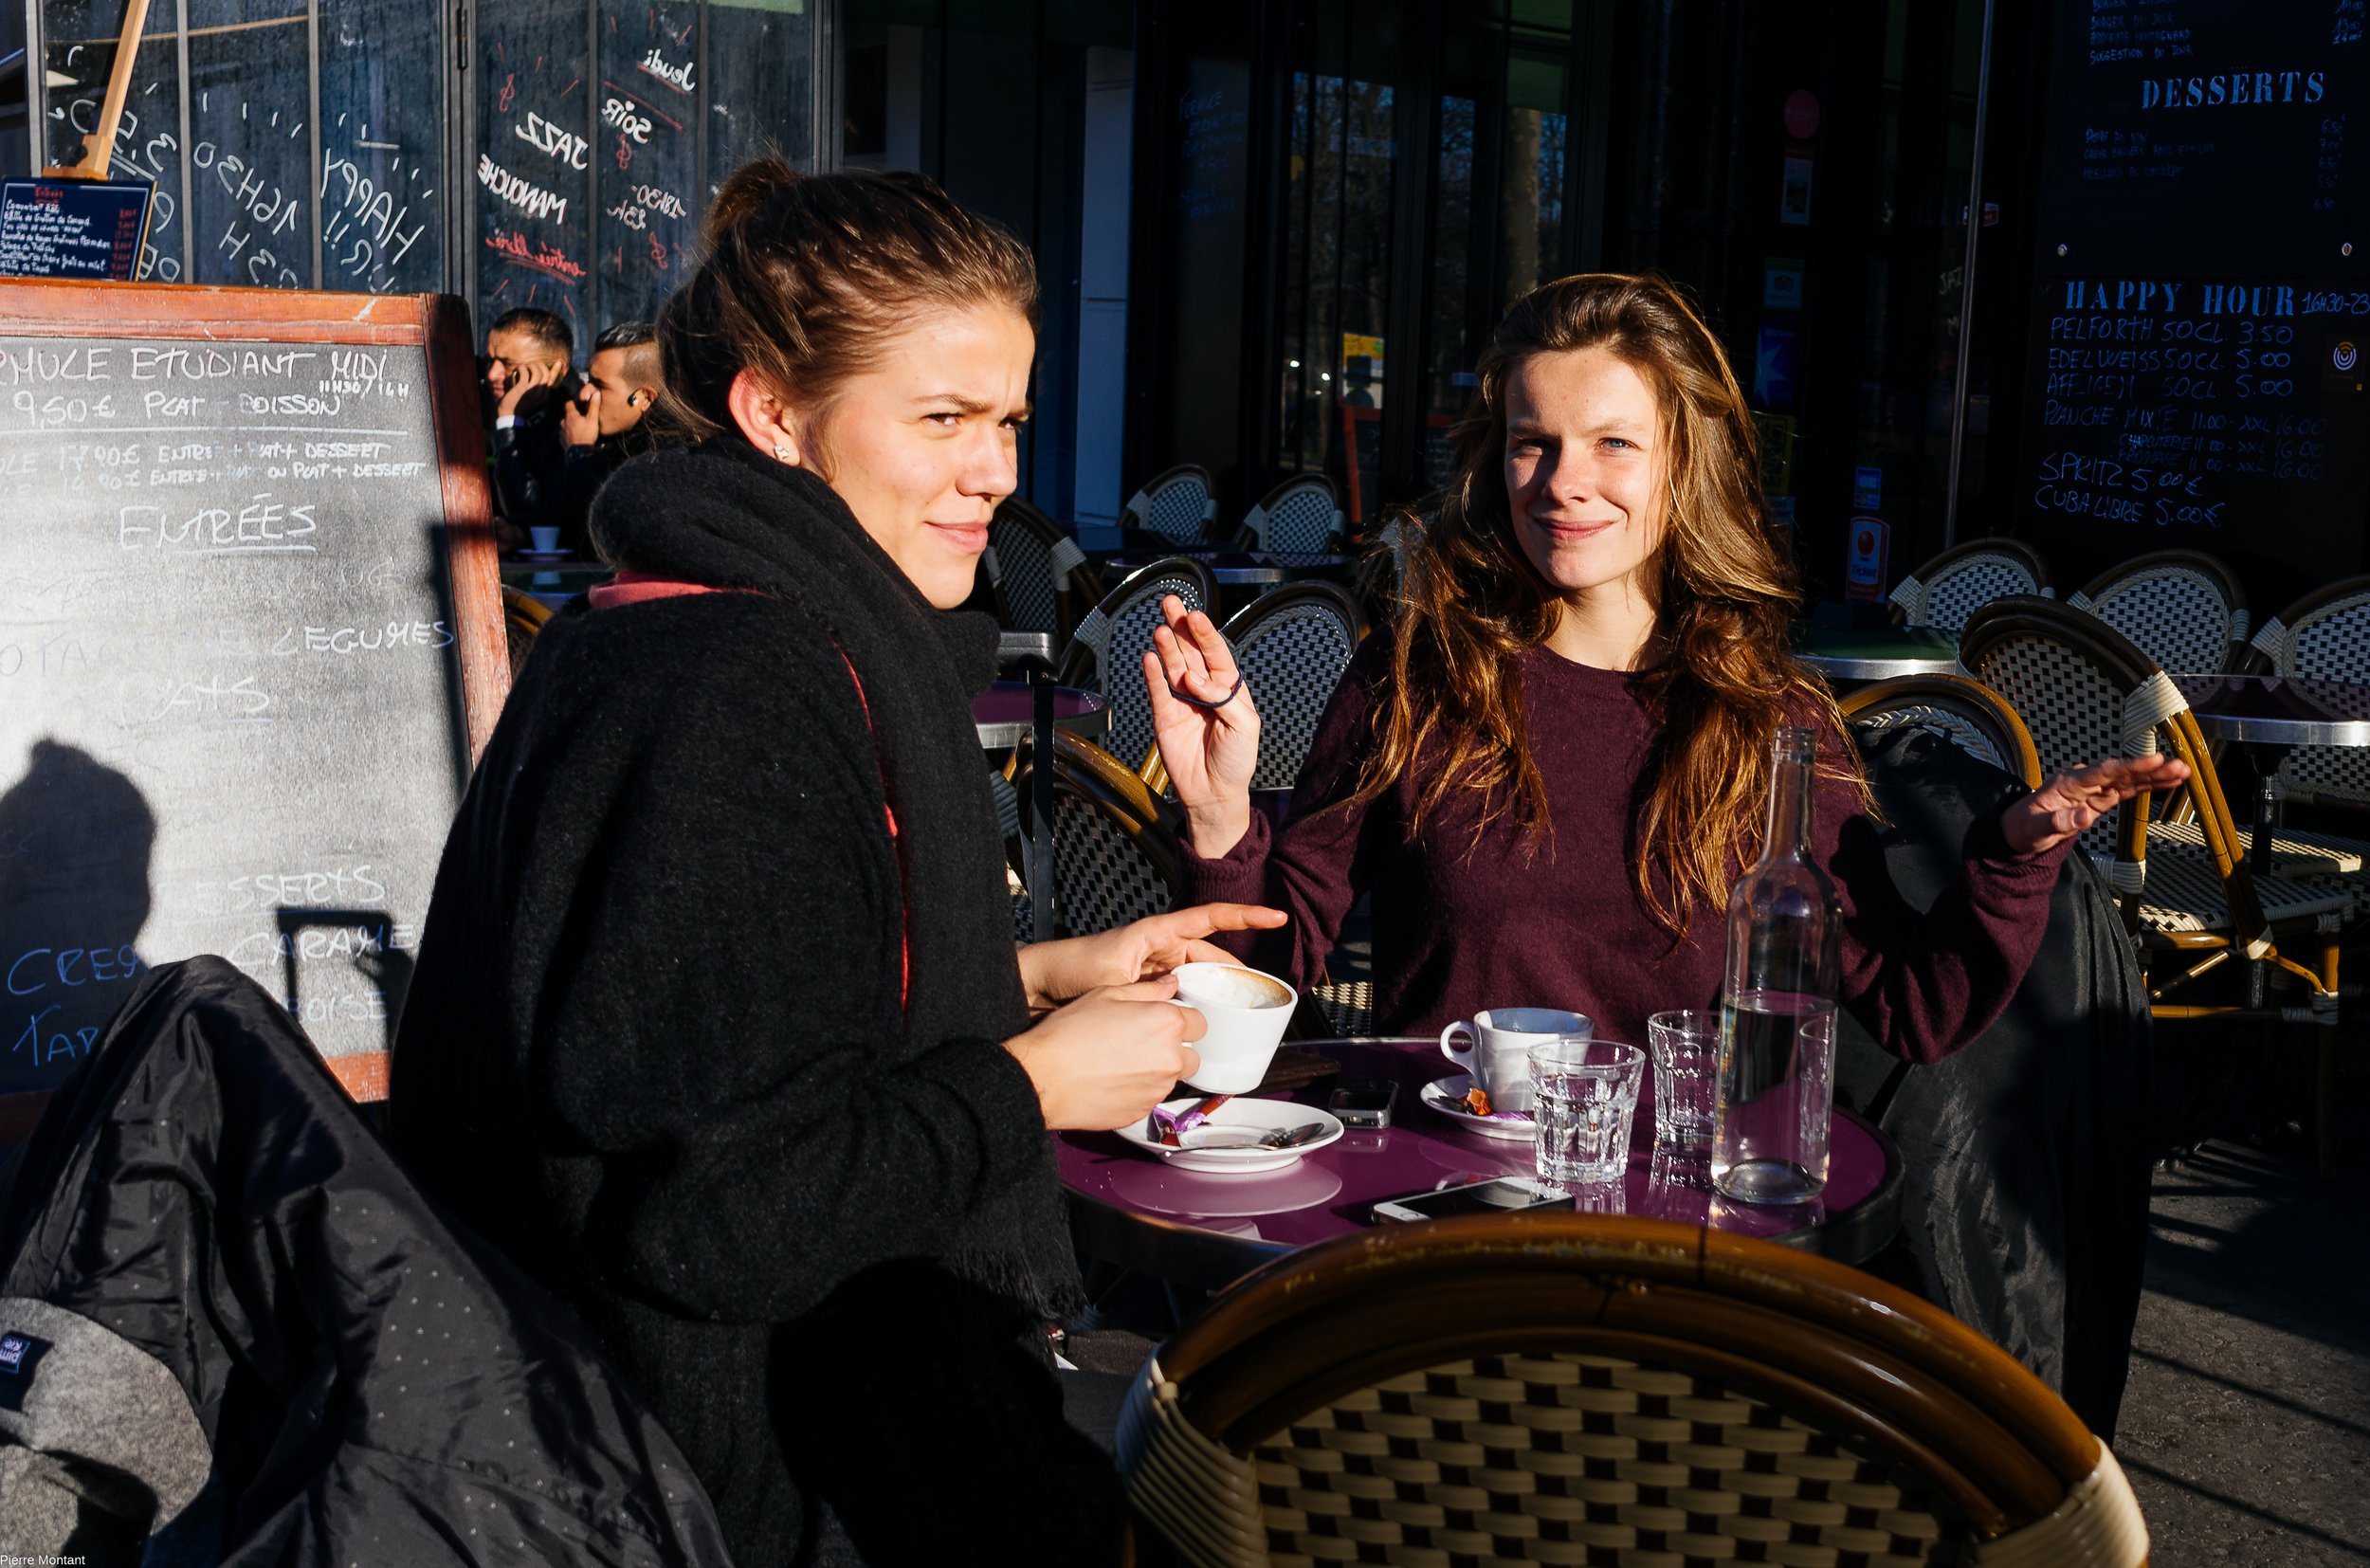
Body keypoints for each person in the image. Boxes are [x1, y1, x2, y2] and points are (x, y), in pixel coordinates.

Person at [392, 162, 1279, 1567]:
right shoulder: (729, 685)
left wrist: (1035, 972)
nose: (995, 470)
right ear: (775, 415)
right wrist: (1035, 1079)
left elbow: (741, 1014)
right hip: (743, 1484)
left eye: (1007, 421)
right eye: (942, 418)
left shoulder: (697, 629)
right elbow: (723, 1218)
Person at [1149, 271, 2186, 1060]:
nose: (1562, 483)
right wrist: (1219, 814)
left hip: (1680, 1243)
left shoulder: (1767, 719)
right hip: (1454, 1225)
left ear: (1683, 463)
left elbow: (1911, 1008)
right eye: (1531, 442)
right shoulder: (1421, 675)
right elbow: (1265, 978)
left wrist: (2011, 853)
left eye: (1612, 443)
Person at [554, 319, 665, 553]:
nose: (585, 394)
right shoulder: (620, 444)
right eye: (587, 381)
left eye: (599, 385)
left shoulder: (663, 458)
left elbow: (604, 539)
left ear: (645, 398)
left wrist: (580, 453)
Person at [483, 305, 575, 549]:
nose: (493, 374)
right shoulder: (474, 403)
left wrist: (509, 420)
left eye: (508, 364)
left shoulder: (573, 425)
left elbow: (528, 513)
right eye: (490, 360)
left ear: (556, 371)